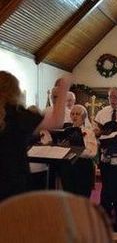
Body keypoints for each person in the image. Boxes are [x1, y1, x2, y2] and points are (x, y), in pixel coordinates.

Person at [0, 71, 72, 202]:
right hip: (12, 178)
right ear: (15, 91)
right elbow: (56, 121)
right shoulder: (18, 114)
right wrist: (63, 90)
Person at [58, 104, 98, 197]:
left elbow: (92, 152)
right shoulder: (66, 131)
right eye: (73, 114)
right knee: (68, 195)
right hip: (68, 166)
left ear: (83, 117)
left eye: (77, 114)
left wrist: (74, 150)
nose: (74, 116)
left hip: (83, 166)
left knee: (82, 196)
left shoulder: (88, 132)